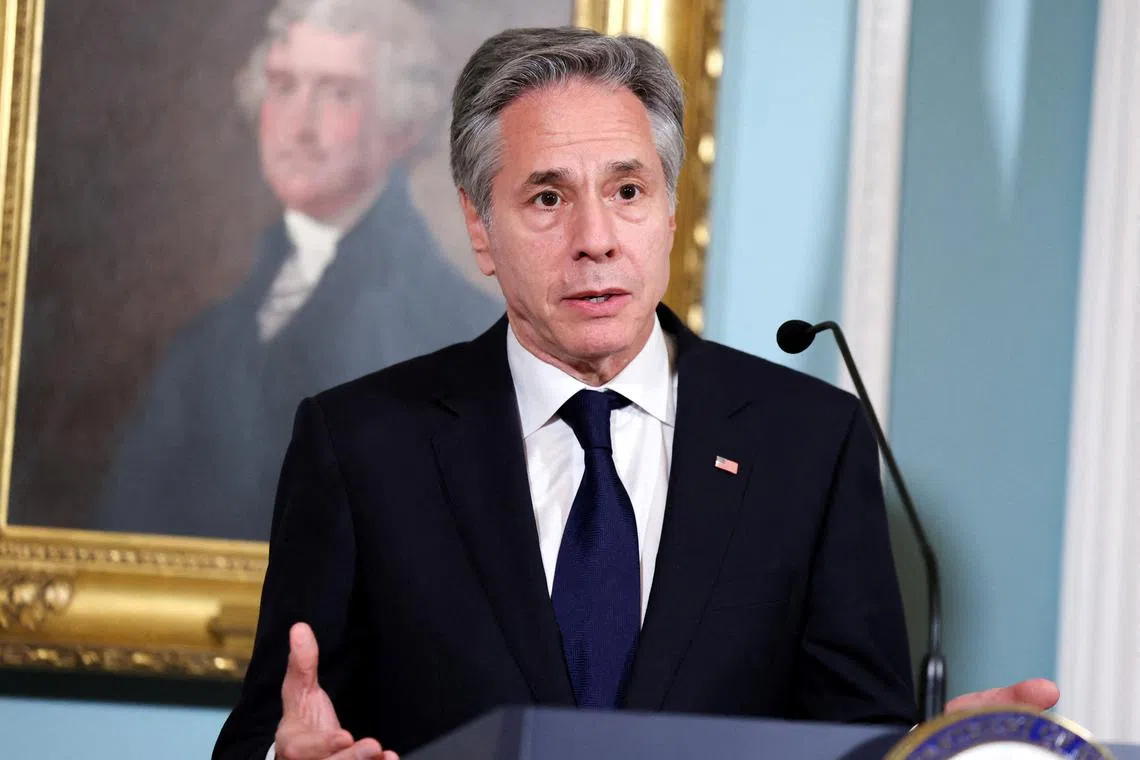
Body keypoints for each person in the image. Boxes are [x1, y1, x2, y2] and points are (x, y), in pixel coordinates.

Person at [212, 26, 1060, 760]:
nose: (596, 241)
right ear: (480, 226)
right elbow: (266, 730)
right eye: (548, 197)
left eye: (627, 191)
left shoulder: (808, 443)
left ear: (666, 208)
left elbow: (854, 734)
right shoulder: (363, 445)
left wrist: (925, 752)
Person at [96, 0, 501, 541]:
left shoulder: (459, 330)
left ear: (401, 127)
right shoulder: (210, 337)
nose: (298, 126)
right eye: (284, 86)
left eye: (337, 93)